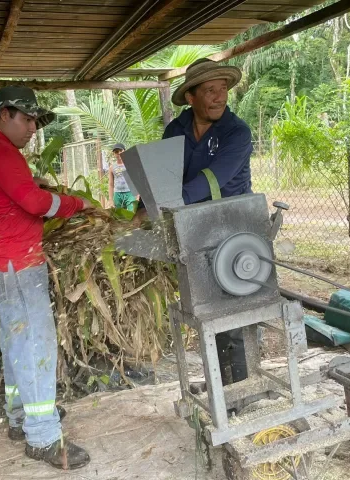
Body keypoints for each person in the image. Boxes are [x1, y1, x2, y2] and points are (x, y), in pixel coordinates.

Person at [0, 86, 92, 470]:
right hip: (16, 262)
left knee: (15, 338)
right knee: (36, 341)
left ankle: (21, 415)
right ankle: (42, 437)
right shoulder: (3, 152)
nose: (34, 127)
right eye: (29, 119)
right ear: (5, 113)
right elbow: (35, 203)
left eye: (36, 120)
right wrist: (76, 204)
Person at [137, 59, 253, 386]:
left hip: (233, 228)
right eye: (210, 91)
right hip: (191, 230)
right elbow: (160, 175)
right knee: (204, 308)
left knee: (233, 308)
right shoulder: (177, 130)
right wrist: (144, 204)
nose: (220, 97)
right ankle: (218, 382)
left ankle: (240, 387)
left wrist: (161, 208)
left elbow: (212, 179)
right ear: (191, 97)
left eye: (223, 90)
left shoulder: (237, 132)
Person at [108, 143, 137, 211]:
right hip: (117, 193)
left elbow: (136, 180)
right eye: (116, 152)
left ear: (125, 151)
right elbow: (111, 184)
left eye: (121, 150)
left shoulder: (131, 165)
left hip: (130, 193)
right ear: (114, 154)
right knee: (119, 216)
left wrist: (137, 196)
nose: (119, 153)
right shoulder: (112, 168)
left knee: (132, 214)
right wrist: (110, 200)